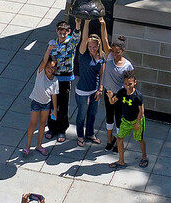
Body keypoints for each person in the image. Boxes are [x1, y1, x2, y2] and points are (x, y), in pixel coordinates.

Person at [98, 18, 134, 151]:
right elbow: (104, 39)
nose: (114, 54)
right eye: (113, 51)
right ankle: (109, 140)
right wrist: (103, 25)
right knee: (109, 116)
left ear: (123, 51)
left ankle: (119, 142)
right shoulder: (109, 57)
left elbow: (129, 84)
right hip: (108, 93)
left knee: (119, 118)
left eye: (117, 52)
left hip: (119, 96)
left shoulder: (127, 65)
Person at [45, 19, 80, 143]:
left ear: (68, 32)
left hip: (65, 79)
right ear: (57, 31)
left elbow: (76, 38)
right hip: (54, 78)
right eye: (60, 33)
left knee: (63, 105)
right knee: (52, 104)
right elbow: (49, 60)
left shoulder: (70, 43)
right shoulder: (53, 43)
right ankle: (52, 128)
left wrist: (78, 24)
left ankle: (61, 129)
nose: (62, 35)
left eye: (64, 33)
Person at [74, 18, 105, 147]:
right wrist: (86, 23)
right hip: (82, 91)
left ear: (98, 46)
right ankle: (80, 135)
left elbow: (102, 75)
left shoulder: (101, 58)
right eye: (90, 46)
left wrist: (100, 90)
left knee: (92, 114)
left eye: (94, 46)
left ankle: (90, 134)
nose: (92, 48)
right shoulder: (83, 54)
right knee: (82, 114)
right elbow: (84, 37)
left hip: (94, 91)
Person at [106, 70, 147, 168]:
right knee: (119, 139)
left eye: (130, 84)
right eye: (125, 84)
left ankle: (144, 156)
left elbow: (141, 111)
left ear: (135, 83)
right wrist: (110, 97)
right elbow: (112, 102)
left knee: (139, 139)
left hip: (136, 120)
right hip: (126, 120)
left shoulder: (138, 96)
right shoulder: (122, 92)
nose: (127, 86)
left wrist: (137, 123)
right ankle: (121, 161)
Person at [24, 47, 58, 157]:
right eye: (48, 67)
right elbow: (44, 61)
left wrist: (55, 110)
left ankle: (39, 145)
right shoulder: (40, 74)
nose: (49, 69)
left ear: (55, 69)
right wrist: (48, 50)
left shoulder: (55, 80)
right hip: (36, 103)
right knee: (32, 125)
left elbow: (54, 96)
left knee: (43, 125)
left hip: (46, 105)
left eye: (52, 67)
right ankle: (27, 147)